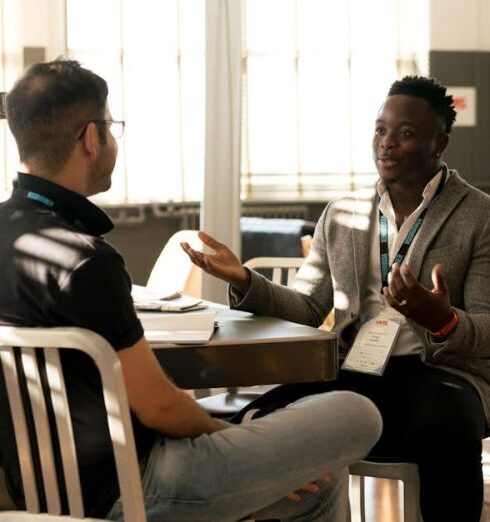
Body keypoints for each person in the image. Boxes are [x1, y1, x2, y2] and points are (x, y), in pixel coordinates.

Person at [0, 58, 382, 522]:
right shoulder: (86, 261)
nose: (113, 139)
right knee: (356, 412)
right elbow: (159, 406)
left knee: (319, 479)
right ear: (90, 138)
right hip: (134, 488)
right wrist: (228, 437)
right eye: (112, 126)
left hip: (35, 490)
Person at [182, 76, 490, 522]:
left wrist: (441, 319)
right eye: (380, 130)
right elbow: (308, 307)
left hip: (440, 374)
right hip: (356, 369)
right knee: (263, 414)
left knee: (447, 424)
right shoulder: (342, 213)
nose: (386, 143)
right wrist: (247, 280)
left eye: (405, 133)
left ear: (438, 143)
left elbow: (485, 328)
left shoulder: (479, 215)